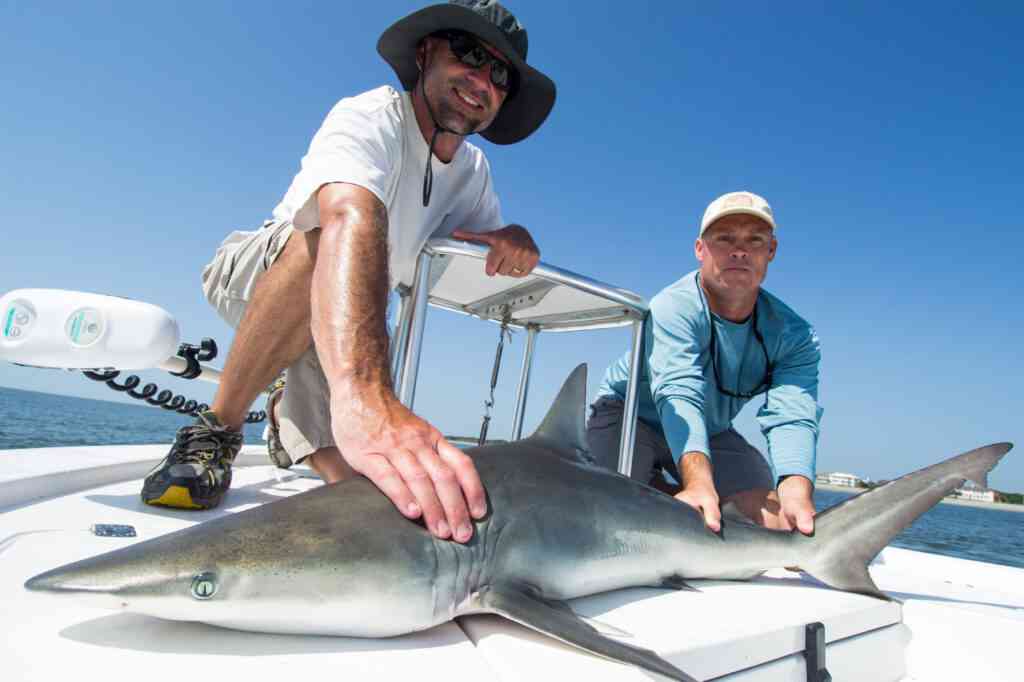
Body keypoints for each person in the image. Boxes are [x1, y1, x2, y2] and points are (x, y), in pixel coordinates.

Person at [140, 0, 556, 547]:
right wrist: (368, 397)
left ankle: (299, 430)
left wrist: (514, 238)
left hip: (349, 309)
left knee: (363, 486)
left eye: (499, 72)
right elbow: (346, 216)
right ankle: (216, 430)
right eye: (470, 54)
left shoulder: (475, 173)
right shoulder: (371, 114)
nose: (481, 78)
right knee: (326, 246)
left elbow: (480, 251)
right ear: (426, 52)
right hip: (261, 269)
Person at [587, 191, 822, 534]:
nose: (739, 250)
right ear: (700, 249)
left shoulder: (795, 335)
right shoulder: (673, 306)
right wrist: (698, 482)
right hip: (629, 412)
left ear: (771, 250)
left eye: (754, 240)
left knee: (771, 510)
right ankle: (663, 491)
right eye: (724, 239)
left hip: (711, 428)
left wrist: (796, 486)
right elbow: (679, 392)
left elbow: (793, 414)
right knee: (606, 508)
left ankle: (665, 494)